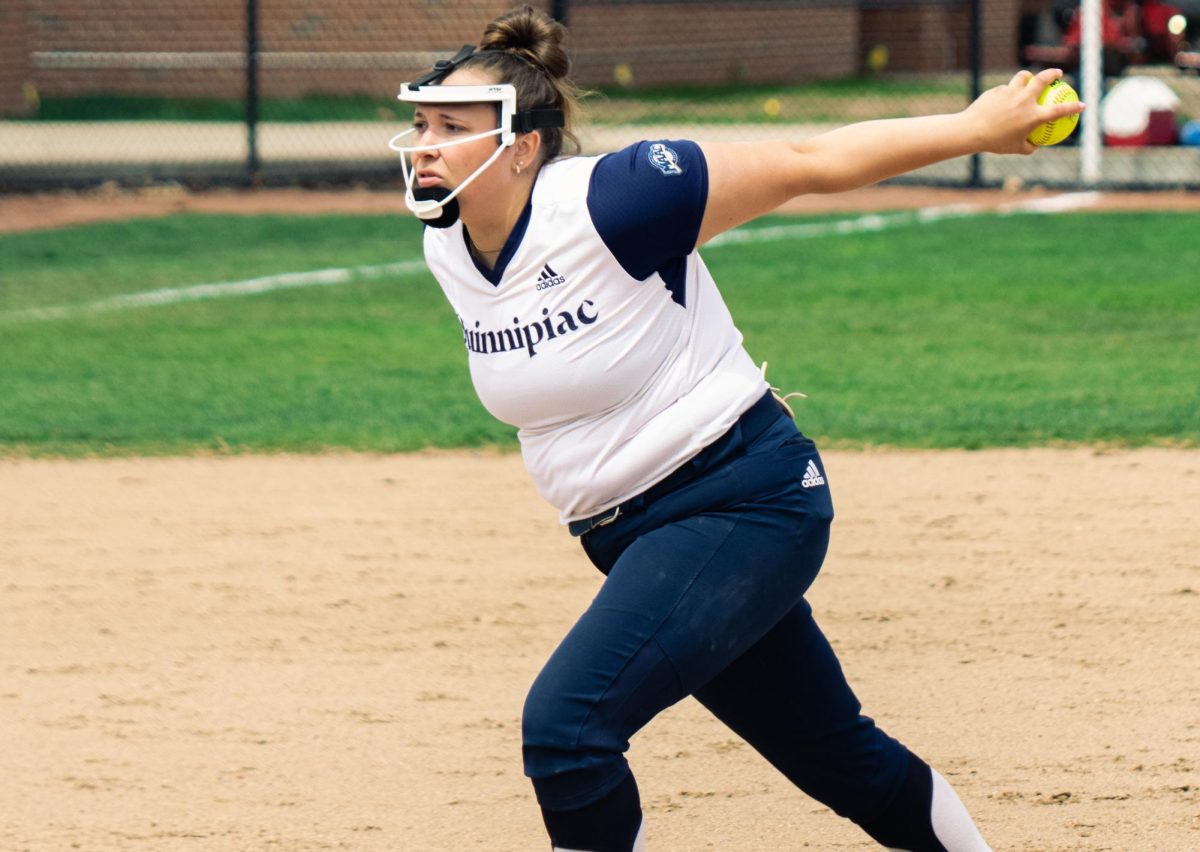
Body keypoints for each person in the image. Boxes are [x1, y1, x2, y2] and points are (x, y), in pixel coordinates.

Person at [389, 7, 1084, 851]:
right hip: (637, 537)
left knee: (568, 732)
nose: (424, 143)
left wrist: (976, 128)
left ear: (524, 146)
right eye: (421, 122)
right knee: (839, 759)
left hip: (741, 504)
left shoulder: (616, 198)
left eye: (452, 127)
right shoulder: (451, 247)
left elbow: (805, 161)